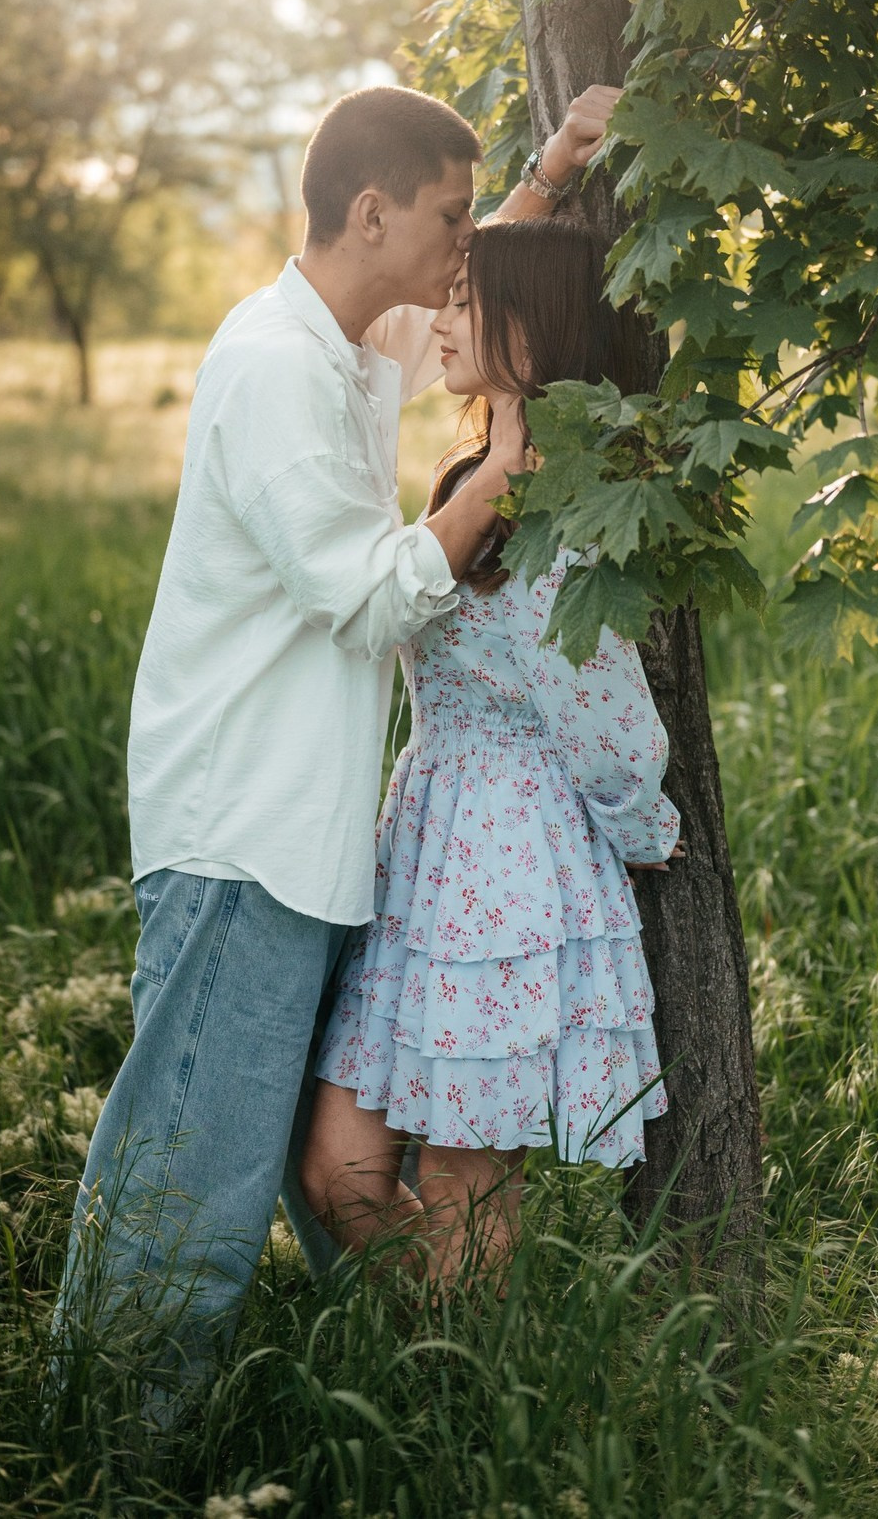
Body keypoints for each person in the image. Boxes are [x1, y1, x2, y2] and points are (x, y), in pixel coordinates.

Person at [51, 82, 625, 1392]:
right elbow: (365, 596)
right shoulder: (271, 368)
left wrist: (548, 172)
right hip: (241, 841)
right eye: (449, 215)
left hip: (303, 849)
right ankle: (104, 1457)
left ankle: (432, 1422)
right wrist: (493, 483)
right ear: (372, 214)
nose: (465, 245)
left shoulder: (343, 342)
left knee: (340, 1175)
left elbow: (453, 315)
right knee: (184, 1206)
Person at [299, 217, 682, 1285]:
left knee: (468, 1188)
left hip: (507, 872)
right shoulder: (474, 470)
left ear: (533, 327)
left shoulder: (572, 513)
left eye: (469, 303)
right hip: (425, 846)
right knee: (338, 1170)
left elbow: (603, 714)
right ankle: (450, 1358)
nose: (445, 319)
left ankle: (471, 1417)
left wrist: (646, 831)